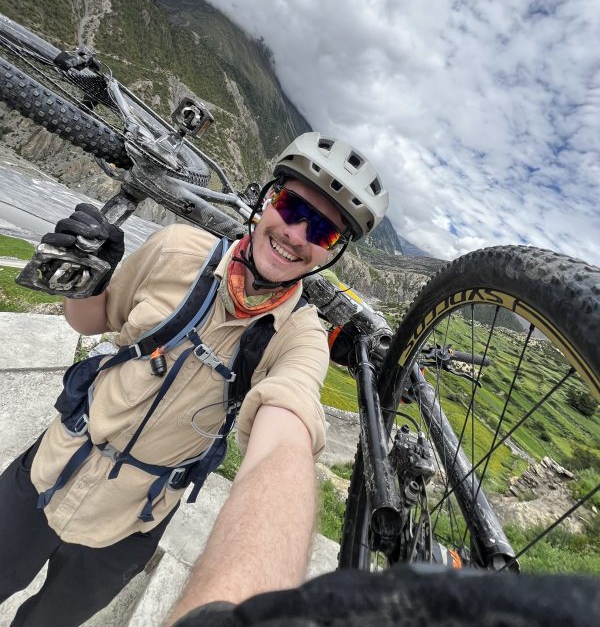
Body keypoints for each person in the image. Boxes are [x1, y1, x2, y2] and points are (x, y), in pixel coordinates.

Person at [0, 132, 388, 627]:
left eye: (322, 232)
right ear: (267, 199)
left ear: (329, 252)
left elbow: (285, 441)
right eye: (292, 207)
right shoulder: (177, 250)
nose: (296, 234)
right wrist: (84, 276)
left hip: (127, 527)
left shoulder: (300, 337)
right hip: (46, 469)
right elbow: (91, 321)